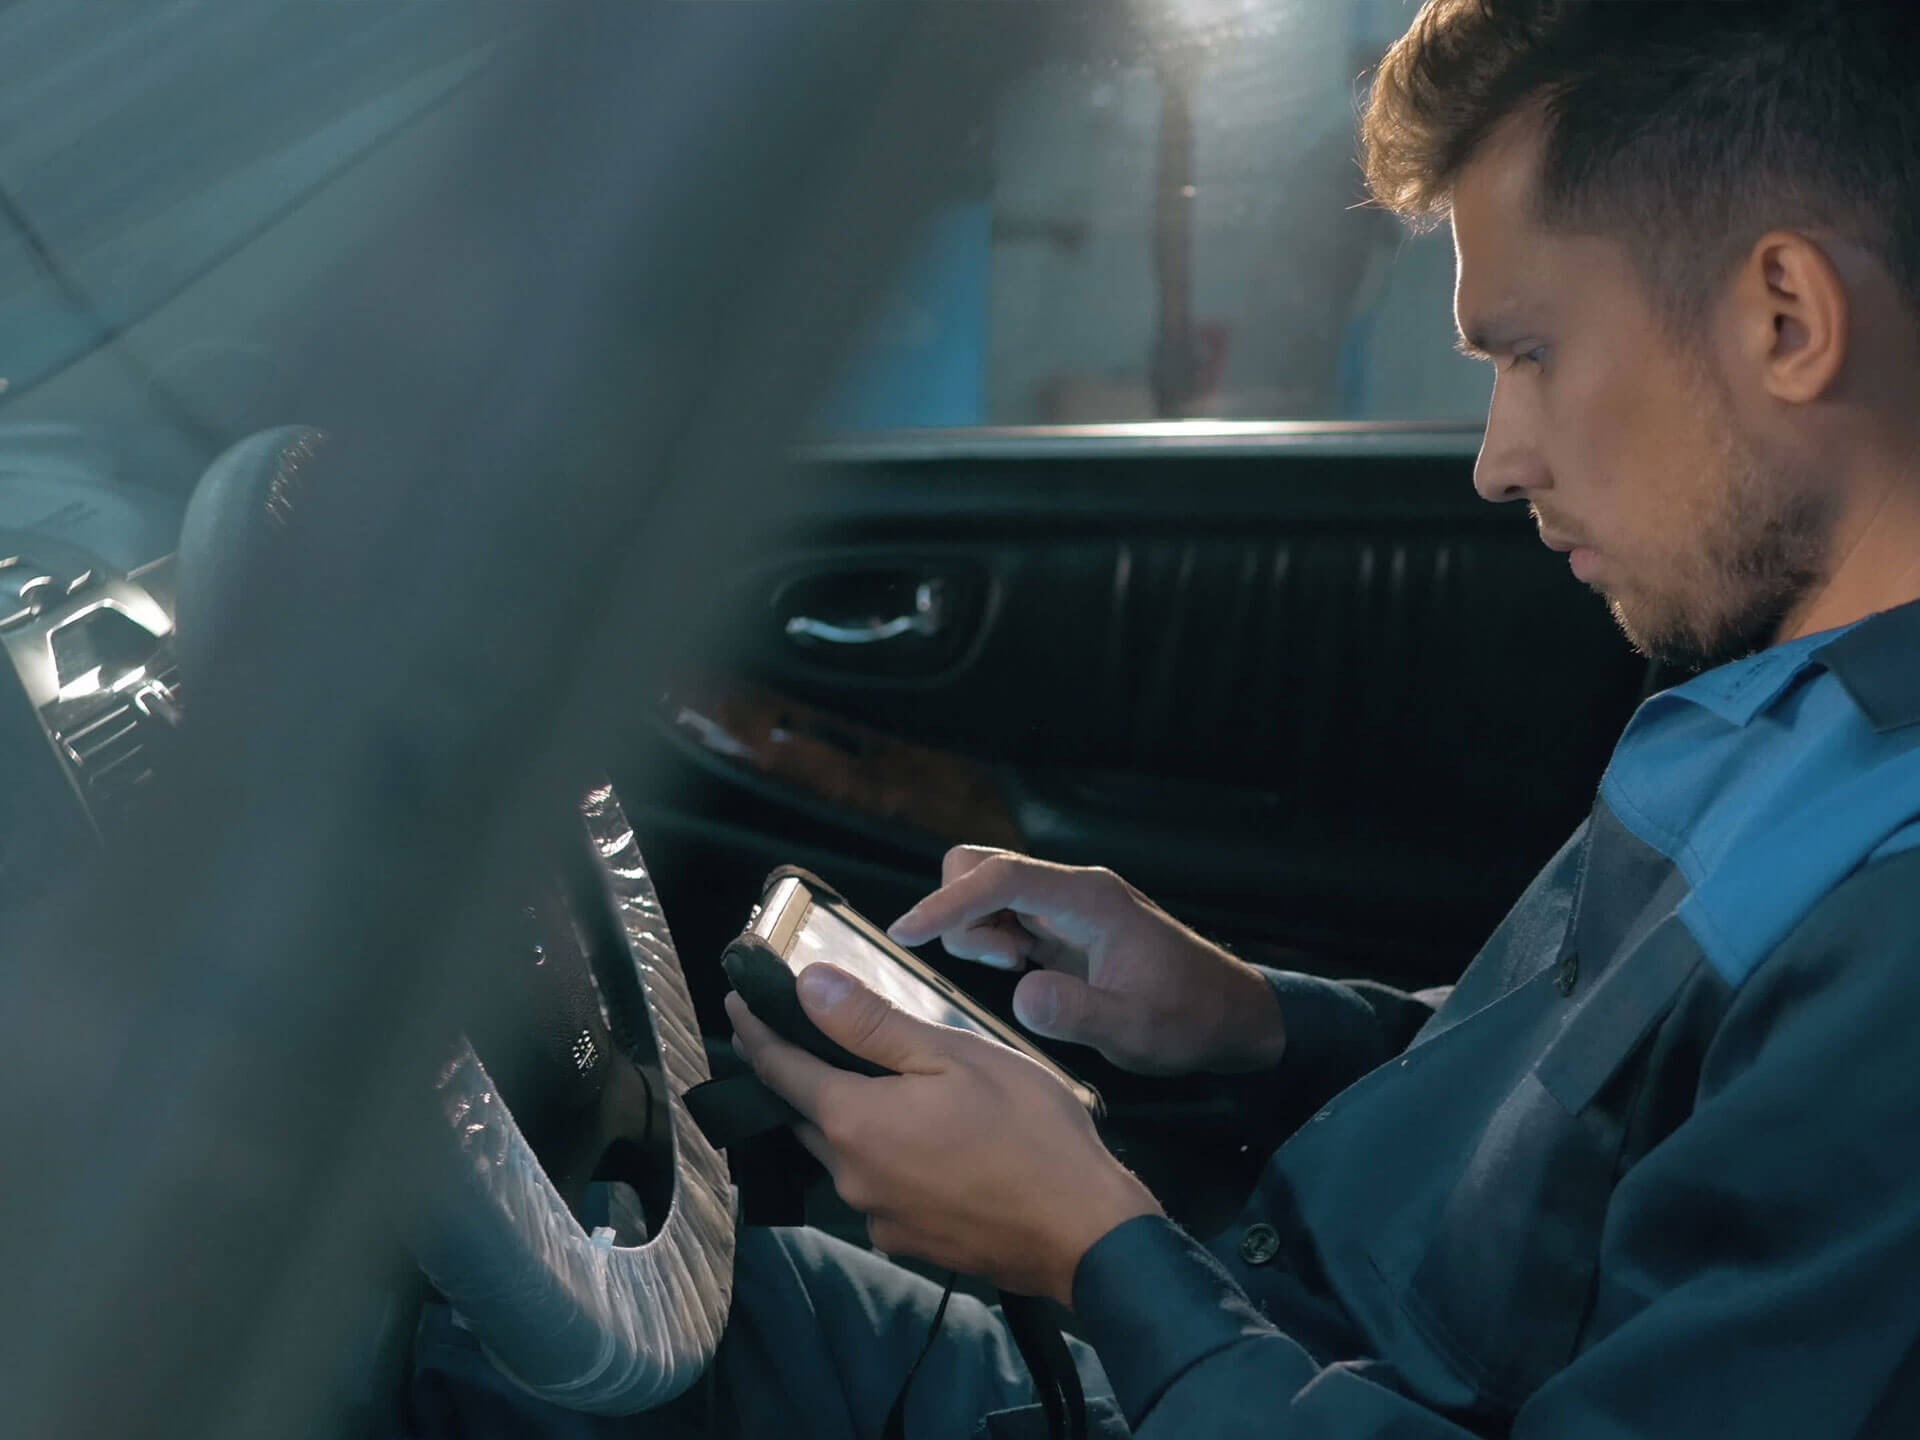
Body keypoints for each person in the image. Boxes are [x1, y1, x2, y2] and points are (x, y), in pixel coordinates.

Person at [697, 2, 1920, 1435]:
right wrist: (1253, 1021)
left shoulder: (1891, 943)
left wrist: (1097, 1254)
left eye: (1526, 353)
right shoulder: (1774, 694)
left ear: (1785, 317)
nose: (1497, 462)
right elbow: (1592, 1116)